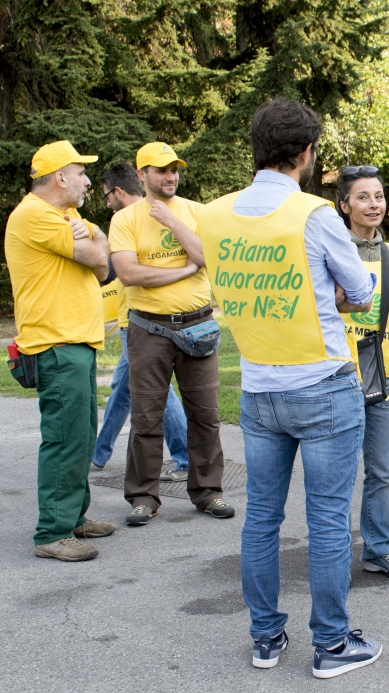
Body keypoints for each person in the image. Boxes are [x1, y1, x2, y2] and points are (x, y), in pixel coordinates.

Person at [198, 97, 382, 678]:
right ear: (305, 153)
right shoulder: (314, 215)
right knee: (327, 520)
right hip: (322, 380)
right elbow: (362, 291)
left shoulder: (215, 214)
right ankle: (330, 644)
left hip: (258, 387)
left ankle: (264, 638)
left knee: (261, 519)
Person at [4, 140, 116, 561]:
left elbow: (103, 267)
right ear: (59, 177)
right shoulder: (35, 214)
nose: (89, 180)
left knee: (81, 436)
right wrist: (96, 244)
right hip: (54, 344)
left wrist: (98, 240)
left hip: (75, 342)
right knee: (64, 438)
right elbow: (92, 253)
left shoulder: (66, 215)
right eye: (82, 172)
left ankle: (72, 518)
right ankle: (52, 532)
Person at [111, 142, 233, 526]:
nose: (171, 177)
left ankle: (208, 492)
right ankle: (144, 497)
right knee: (147, 417)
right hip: (148, 328)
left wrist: (172, 222)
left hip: (197, 326)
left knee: (205, 416)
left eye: (175, 169)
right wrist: (183, 270)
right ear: (142, 174)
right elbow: (130, 273)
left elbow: (209, 257)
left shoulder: (196, 212)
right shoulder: (125, 219)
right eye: (162, 170)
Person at [336, 166, 389, 580]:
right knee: (339, 472)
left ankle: (379, 549)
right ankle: (330, 554)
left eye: (379, 196)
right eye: (363, 197)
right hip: (339, 375)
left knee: (381, 470)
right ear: (344, 204)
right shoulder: (332, 249)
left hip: (384, 376)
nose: (374, 204)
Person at [91, 161, 190, 481]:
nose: (106, 201)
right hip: (127, 319)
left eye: (107, 194)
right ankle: (98, 454)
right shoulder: (127, 220)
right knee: (123, 388)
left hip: (141, 323)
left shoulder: (137, 219)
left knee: (159, 394)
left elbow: (127, 274)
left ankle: (186, 457)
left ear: (119, 191)